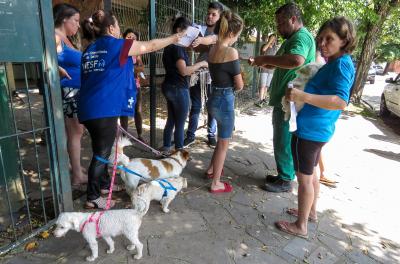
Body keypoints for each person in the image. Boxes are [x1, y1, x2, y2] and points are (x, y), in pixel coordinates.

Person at [79, 10, 184, 209]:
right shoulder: (119, 45)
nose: (119, 29)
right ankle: (92, 197)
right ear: (111, 29)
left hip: (89, 107)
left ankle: (102, 185)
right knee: (101, 154)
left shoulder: (90, 48)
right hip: (104, 108)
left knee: (104, 149)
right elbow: (151, 45)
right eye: (117, 25)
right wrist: (174, 38)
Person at [275, 16, 356, 238]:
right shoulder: (338, 62)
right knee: (312, 176)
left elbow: (340, 101)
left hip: (310, 131)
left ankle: (300, 226)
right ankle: (310, 213)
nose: (322, 43)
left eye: (329, 39)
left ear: (344, 40)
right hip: (318, 130)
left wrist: (302, 95)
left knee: (304, 179)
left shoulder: (341, 65)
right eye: (321, 38)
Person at [249, 2, 316, 193]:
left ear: (293, 19)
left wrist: (266, 59)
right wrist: (261, 62)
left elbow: (296, 60)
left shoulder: (300, 37)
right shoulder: (292, 38)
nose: (278, 28)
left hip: (290, 101)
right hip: (285, 99)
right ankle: (283, 174)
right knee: (281, 137)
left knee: (283, 139)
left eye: (280, 23)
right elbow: (278, 63)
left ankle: (286, 179)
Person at [205, 10, 244, 193]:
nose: (237, 38)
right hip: (225, 99)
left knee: (221, 139)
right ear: (231, 33)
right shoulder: (231, 51)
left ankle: (211, 170)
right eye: (237, 35)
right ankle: (216, 183)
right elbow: (239, 85)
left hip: (213, 97)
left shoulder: (212, 48)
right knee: (223, 143)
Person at [161, 17, 208, 153]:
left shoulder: (169, 46)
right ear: (178, 31)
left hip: (169, 85)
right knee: (180, 124)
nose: (191, 37)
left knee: (171, 120)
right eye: (188, 33)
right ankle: (179, 154)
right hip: (178, 88)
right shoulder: (178, 48)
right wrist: (201, 64)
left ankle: (165, 149)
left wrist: (194, 69)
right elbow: (183, 71)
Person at [53, 3, 87, 188]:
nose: (78, 25)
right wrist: (56, 68)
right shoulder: (55, 36)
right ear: (64, 19)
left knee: (72, 132)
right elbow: (43, 59)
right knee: (75, 132)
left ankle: (75, 169)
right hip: (69, 92)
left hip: (74, 92)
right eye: (75, 20)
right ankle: (77, 175)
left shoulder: (65, 38)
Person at [183, 1, 224, 148]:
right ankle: (190, 135)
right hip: (199, 73)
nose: (210, 16)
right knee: (195, 105)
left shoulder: (222, 32)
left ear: (220, 17)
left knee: (211, 106)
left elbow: (213, 40)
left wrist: (201, 39)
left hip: (214, 75)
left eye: (214, 14)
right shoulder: (201, 29)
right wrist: (194, 41)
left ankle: (211, 135)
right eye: (208, 13)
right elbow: (197, 49)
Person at [120, 29, 145, 142]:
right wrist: (134, 69)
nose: (131, 39)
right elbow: (124, 69)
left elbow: (141, 68)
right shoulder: (120, 51)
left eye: (134, 38)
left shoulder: (137, 53)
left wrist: (132, 69)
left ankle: (140, 135)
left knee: (138, 111)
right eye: (129, 37)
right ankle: (124, 137)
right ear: (124, 37)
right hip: (124, 86)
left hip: (136, 85)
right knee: (124, 112)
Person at [254, 34, 277, 108]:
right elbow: (263, 50)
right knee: (262, 85)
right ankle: (260, 100)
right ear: (269, 39)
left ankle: (263, 99)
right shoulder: (264, 46)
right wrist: (269, 42)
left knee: (267, 85)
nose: (273, 41)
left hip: (271, 70)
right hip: (263, 69)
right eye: (272, 39)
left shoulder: (274, 48)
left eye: (274, 39)